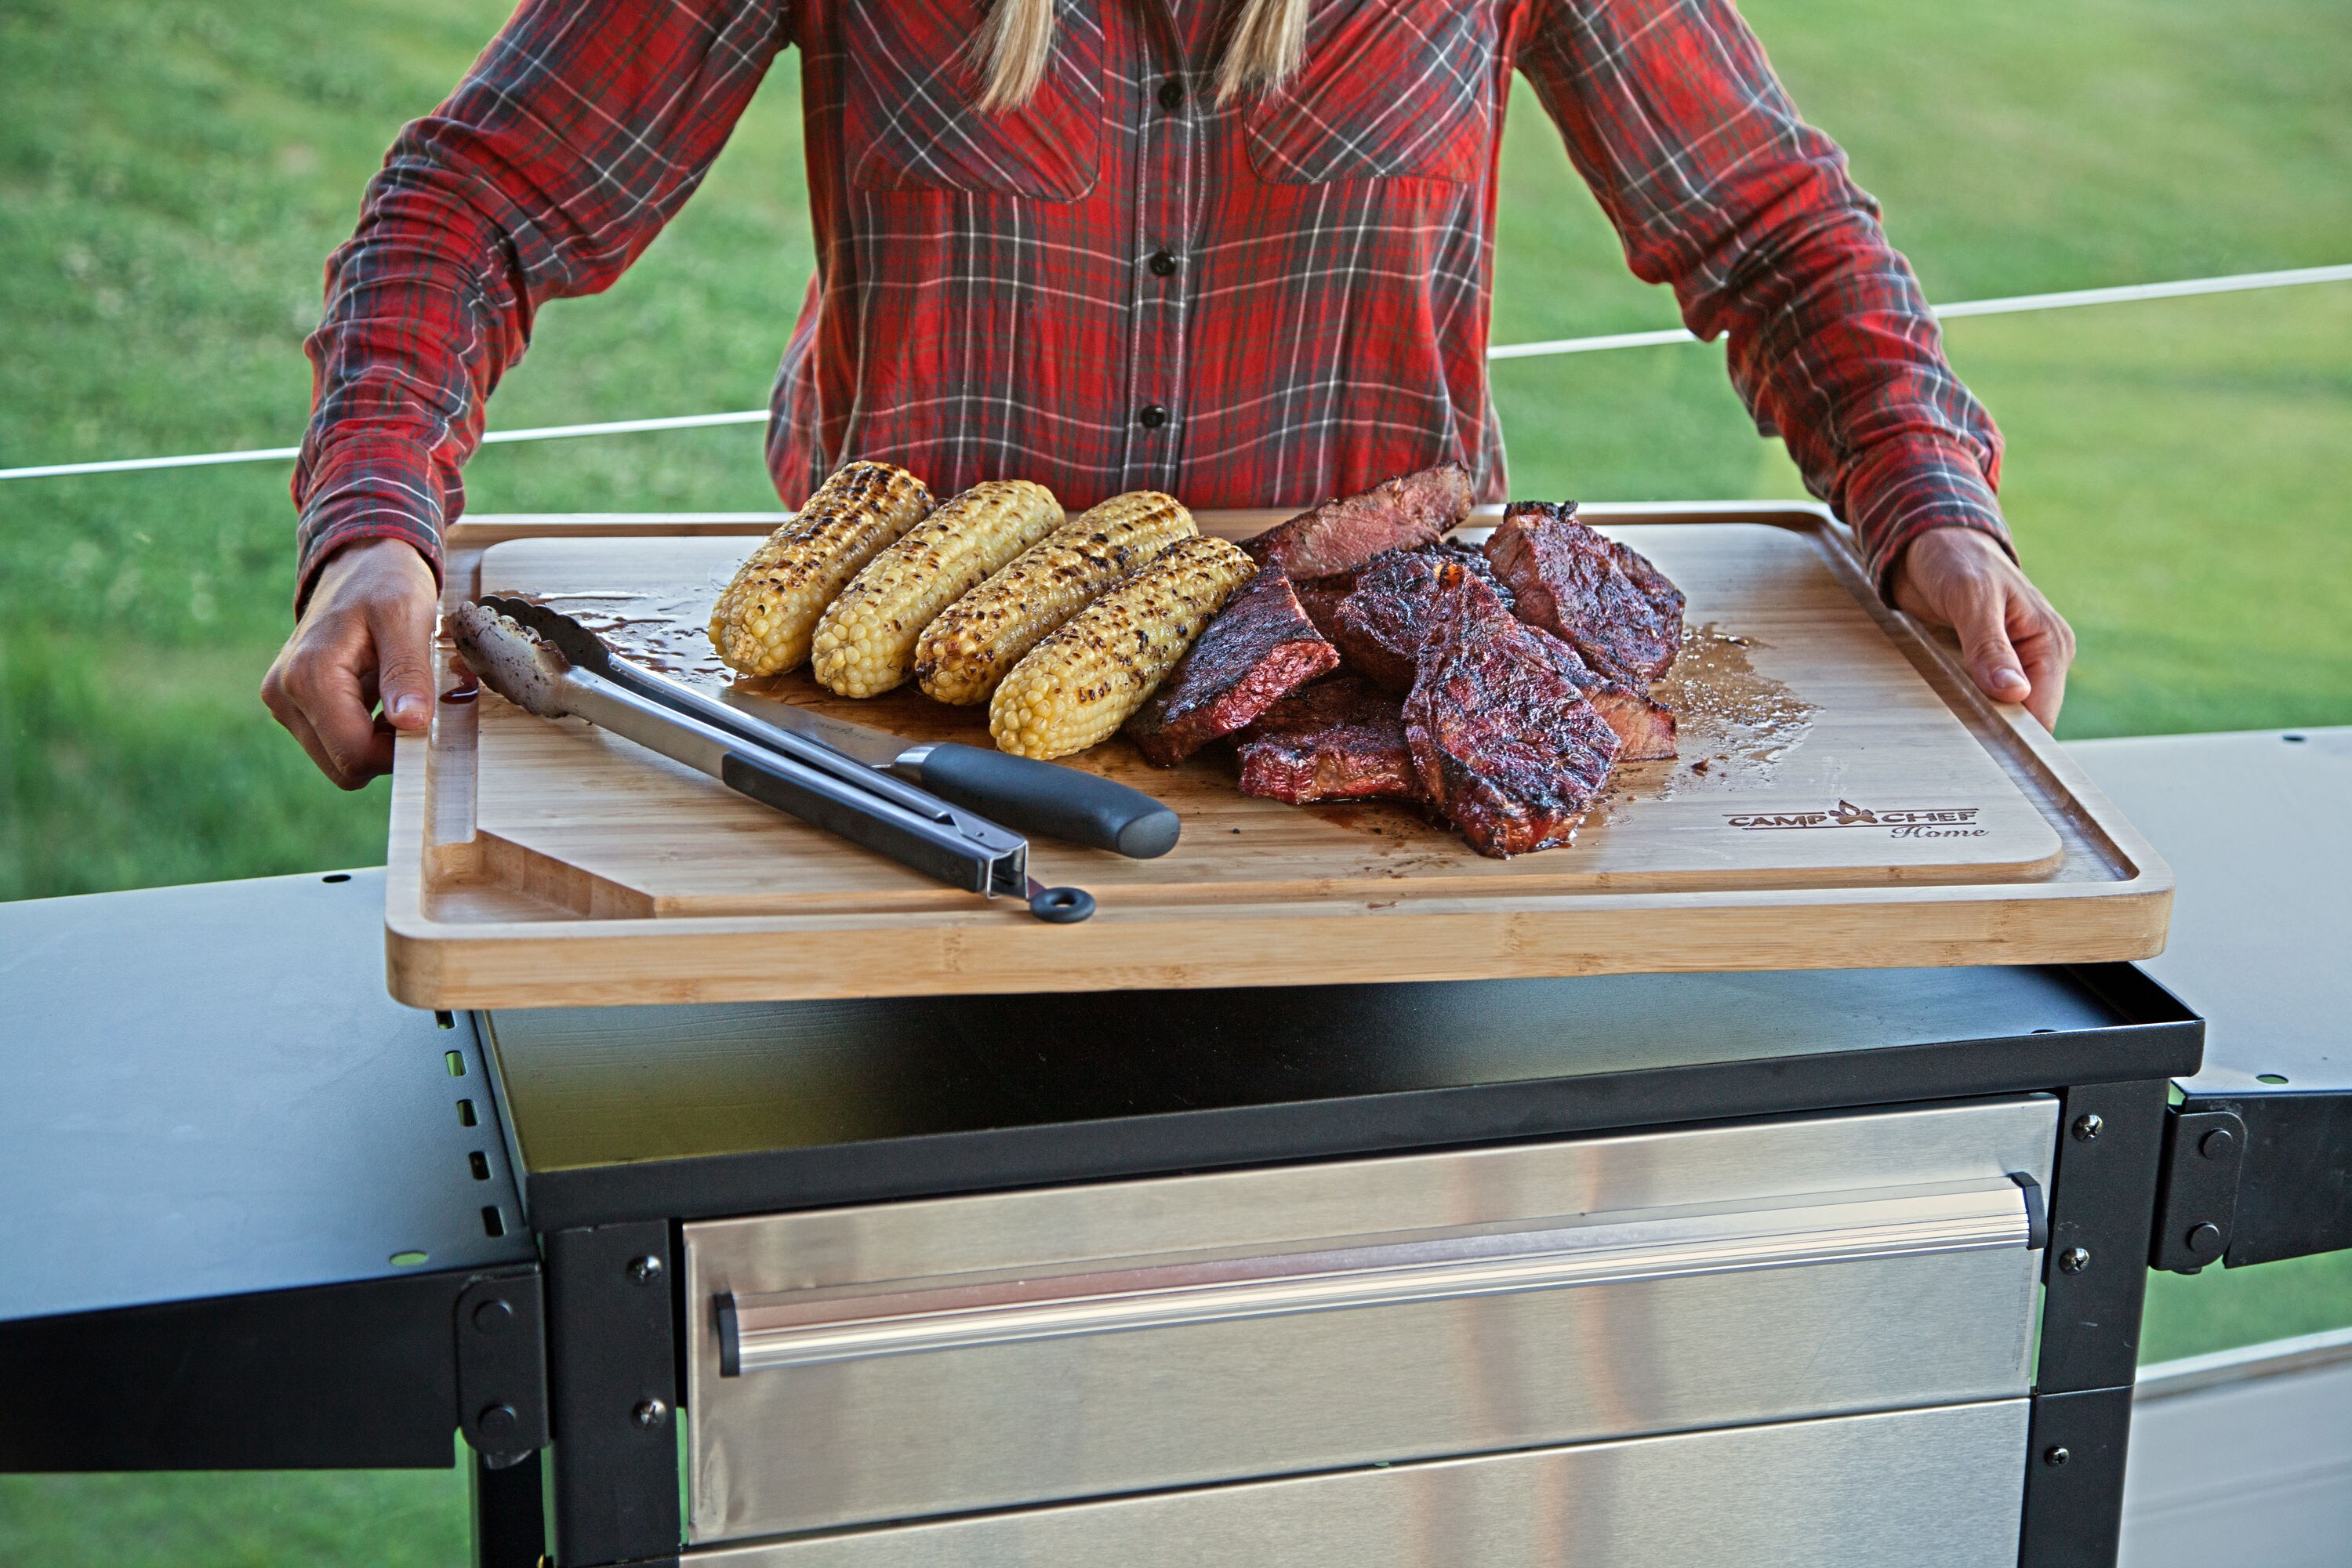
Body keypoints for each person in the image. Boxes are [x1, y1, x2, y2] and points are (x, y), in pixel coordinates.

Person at [263, 0, 2074, 787]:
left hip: (1386, 750)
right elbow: (484, 197)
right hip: (903, 766)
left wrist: (1930, 507)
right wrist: (374, 532)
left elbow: (1765, 222)